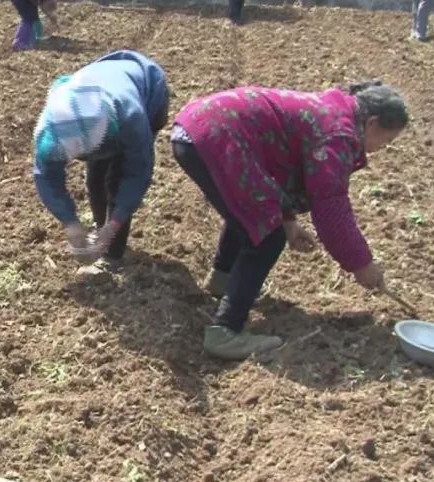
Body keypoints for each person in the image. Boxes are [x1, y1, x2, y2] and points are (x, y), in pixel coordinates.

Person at [171, 81, 409, 360]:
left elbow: (278, 170)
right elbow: (331, 212)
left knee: (250, 212)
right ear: (372, 124)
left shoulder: (334, 113)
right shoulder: (338, 135)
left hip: (197, 128)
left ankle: (223, 280)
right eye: (387, 140)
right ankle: (225, 330)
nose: (382, 148)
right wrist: (362, 264)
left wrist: (289, 220)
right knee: (267, 235)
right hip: (216, 136)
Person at [32, 50, 170, 273]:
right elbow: (46, 175)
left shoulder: (131, 118)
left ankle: (112, 254)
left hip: (149, 87)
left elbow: (137, 173)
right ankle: (101, 230)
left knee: (116, 179)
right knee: (95, 178)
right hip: (104, 80)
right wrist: (70, 222)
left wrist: (114, 225)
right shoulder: (53, 125)